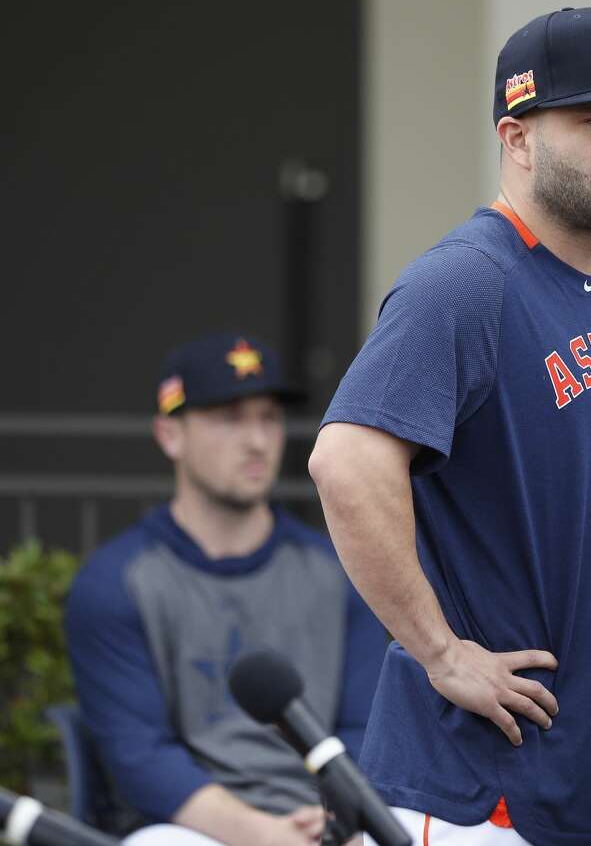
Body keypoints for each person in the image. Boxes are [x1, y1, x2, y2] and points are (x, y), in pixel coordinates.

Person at [308, 7, 591, 846]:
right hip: (478, 791)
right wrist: (442, 652)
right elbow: (344, 462)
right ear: (517, 137)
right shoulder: (464, 283)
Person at [65, 333, 390, 846]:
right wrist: (263, 834)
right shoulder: (114, 581)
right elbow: (142, 756)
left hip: (332, 818)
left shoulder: (341, 567)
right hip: (191, 830)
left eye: (268, 418)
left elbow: (365, 726)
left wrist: (331, 817)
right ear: (170, 435)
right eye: (229, 419)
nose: (257, 440)